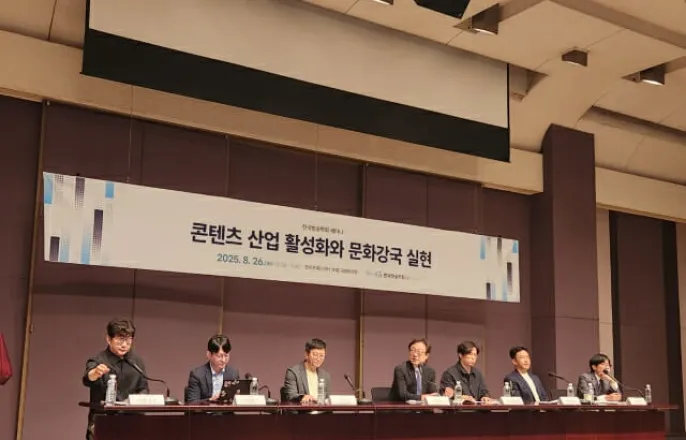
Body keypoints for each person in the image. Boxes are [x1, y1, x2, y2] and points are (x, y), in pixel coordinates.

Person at [82, 318, 148, 440]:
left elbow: (143, 389)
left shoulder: (137, 362)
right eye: (120, 339)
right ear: (108, 339)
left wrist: (134, 400)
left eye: (128, 340)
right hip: (104, 422)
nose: (124, 345)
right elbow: (87, 378)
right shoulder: (98, 360)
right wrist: (95, 373)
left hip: (132, 422)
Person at [185, 335, 239, 402]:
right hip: (206, 409)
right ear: (209, 355)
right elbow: (192, 403)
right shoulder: (197, 375)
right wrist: (210, 400)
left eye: (226, 355)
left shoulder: (233, 374)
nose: (223, 360)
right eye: (219, 356)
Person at [283, 338, 331, 403]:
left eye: (321, 356)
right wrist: (303, 397)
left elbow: (327, 399)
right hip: (302, 409)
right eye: (315, 355)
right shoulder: (293, 373)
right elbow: (291, 396)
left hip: (320, 409)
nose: (318, 359)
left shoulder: (325, 375)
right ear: (306, 354)